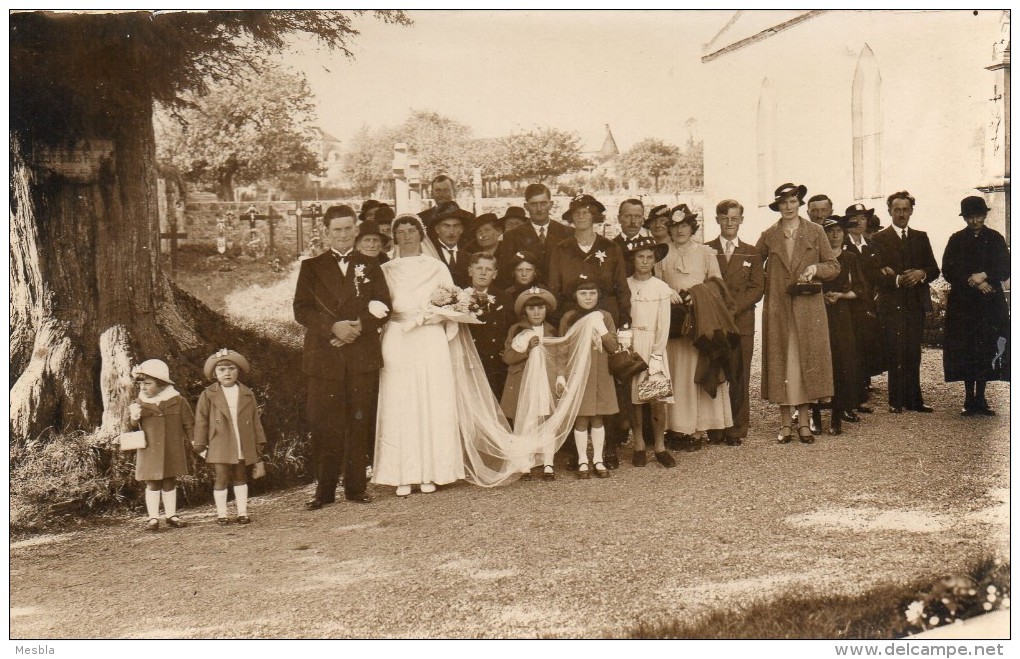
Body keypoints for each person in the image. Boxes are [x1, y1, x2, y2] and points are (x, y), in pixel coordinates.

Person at [294, 204, 391, 509]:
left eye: (349, 228)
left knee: (358, 420)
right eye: (337, 229)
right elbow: (302, 309)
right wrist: (332, 327)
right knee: (326, 423)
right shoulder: (311, 267)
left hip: (360, 354)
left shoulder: (371, 265)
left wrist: (358, 327)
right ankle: (323, 491)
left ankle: (356, 487)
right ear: (326, 232)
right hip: (325, 356)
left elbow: (384, 304)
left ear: (356, 229)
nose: (343, 234)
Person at [373, 215, 469, 496]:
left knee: (431, 400)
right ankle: (403, 474)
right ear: (394, 237)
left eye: (411, 231)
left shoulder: (437, 267)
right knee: (400, 403)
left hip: (429, 337)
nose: (407, 236)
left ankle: (431, 472)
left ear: (421, 234)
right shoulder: (386, 269)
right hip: (398, 337)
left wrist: (433, 318)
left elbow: (453, 305)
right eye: (400, 232)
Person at [547, 194, 630, 469]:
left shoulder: (610, 247)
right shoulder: (561, 248)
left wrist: (624, 319)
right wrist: (564, 325)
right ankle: (577, 451)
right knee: (576, 384)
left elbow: (620, 285)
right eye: (577, 212)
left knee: (607, 384)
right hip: (573, 321)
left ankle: (608, 448)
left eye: (588, 211)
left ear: (596, 215)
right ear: (570, 217)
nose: (582, 216)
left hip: (604, 318)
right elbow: (555, 287)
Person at [755, 183, 840, 444]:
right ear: (778, 206)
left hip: (808, 309)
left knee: (804, 363)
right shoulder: (769, 235)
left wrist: (815, 269)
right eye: (784, 203)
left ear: (799, 204)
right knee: (783, 362)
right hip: (779, 308)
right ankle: (784, 424)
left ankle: (804, 423)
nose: (789, 207)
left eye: (793, 202)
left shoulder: (815, 232)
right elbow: (753, 266)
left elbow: (833, 266)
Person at [656, 205, 734, 450]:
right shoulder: (661, 253)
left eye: (684, 226)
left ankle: (698, 428)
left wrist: (697, 294)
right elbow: (655, 283)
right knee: (676, 372)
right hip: (674, 323)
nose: (679, 231)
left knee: (695, 371)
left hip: (700, 322)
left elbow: (717, 285)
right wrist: (667, 292)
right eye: (675, 226)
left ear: (692, 228)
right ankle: (676, 428)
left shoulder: (706, 253)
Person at [870, 190, 940, 414]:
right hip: (891, 302)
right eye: (897, 210)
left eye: (905, 209)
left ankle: (915, 399)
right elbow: (874, 273)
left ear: (911, 211)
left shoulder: (921, 236)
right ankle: (896, 400)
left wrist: (920, 273)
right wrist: (897, 279)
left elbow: (934, 268)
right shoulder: (878, 239)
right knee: (894, 349)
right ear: (890, 211)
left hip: (914, 303)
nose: (901, 214)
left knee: (913, 350)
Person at [941, 195, 1010, 416]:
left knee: (986, 346)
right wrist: (972, 281)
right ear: (965, 218)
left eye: (979, 216)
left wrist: (985, 275)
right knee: (967, 347)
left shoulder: (996, 238)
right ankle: (968, 397)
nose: (975, 221)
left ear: (985, 215)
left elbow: (1006, 266)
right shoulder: (956, 240)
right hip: (965, 305)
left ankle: (981, 397)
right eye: (970, 217)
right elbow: (948, 268)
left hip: (989, 305)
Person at [705, 199, 765, 446]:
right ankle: (715, 427)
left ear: (741, 220)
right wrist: (719, 311)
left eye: (734, 218)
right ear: (717, 220)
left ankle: (737, 428)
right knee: (714, 373)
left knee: (739, 375)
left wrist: (733, 309)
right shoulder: (707, 250)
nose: (730, 223)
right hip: (715, 323)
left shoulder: (751, 251)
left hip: (742, 323)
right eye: (725, 218)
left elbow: (757, 288)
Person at [194, 349, 267, 525]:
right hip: (219, 440)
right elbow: (201, 419)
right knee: (221, 477)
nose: (227, 373)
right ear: (214, 374)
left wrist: (259, 440)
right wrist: (200, 443)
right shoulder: (208, 394)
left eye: (231, 368)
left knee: (241, 475)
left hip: (242, 440)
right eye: (221, 369)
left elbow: (254, 418)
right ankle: (222, 514)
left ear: (238, 371)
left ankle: (242, 512)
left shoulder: (247, 393)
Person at [558, 277, 619, 479]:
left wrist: (601, 329)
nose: (588, 297)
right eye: (583, 293)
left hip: (601, 372)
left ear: (598, 296)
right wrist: (560, 374)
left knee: (598, 417)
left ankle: (598, 460)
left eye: (592, 293)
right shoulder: (569, 317)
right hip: (579, 373)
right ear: (575, 296)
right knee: (581, 418)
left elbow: (613, 347)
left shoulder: (605, 316)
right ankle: (583, 460)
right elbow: (562, 348)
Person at [623, 237, 675, 468]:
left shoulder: (661, 288)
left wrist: (656, 354)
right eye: (640, 257)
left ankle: (660, 446)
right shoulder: (625, 285)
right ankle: (639, 445)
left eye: (649, 258)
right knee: (635, 399)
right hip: (632, 345)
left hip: (653, 344)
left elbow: (663, 324)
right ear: (633, 259)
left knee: (656, 399)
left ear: (655, 261)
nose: (644, 262)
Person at [128, 359, 193, 531]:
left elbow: (188, 423)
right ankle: (153, 518)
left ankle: (171, 515)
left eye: (148, 383)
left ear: (162, 384)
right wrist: (134, 417)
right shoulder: (139, 403)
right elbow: (133, 426)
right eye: (141, 383)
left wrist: (195, 441)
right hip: (149, 449)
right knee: (152, 483)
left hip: (171, 447)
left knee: (170, 481)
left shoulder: (177, 401)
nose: (143, 387)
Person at [500, 286, 559, 479]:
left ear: (546, 309)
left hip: (544, 380)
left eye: (540, 308)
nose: (536, 312)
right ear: (524, 311)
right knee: (526, 421)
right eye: (531, 308)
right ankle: (524, 463)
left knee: (547, 419)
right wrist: (525, 351)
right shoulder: (517, 330)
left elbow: (559, 355)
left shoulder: (551, 330)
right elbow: (508, 357)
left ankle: (548, 462)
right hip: (523, 382)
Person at [819, 218, 865, 435]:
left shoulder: (849, 258)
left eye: (838, 231)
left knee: (841, 360)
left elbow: (860, 288)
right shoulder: (818, 258)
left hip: (842, 314)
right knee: (819, 360)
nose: (835, 235)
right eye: (830, 231)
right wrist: (821, 296)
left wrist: (841, 295)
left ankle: (838, 413)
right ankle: (816, 414)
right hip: (819, 313)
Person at [842, 203, 883, 412]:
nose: (859, 223)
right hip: (848, 303)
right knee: (851, 350)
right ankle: (850, 399)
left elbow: (875, 274)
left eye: (863, 218)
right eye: (855, 219)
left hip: (867, 303)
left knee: (865, 347)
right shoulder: (842, 245)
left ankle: (860, 395)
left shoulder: (871, 245)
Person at [495, 183, 572, 288]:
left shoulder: (567, 233)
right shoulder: (512, 236)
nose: (539, 209)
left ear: (551, 204)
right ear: (526, 206)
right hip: (526, 298)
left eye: (543, 203)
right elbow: (505, 275)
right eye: (534, 204)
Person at [465, 252, 513, 398]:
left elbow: (509, 328)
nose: (483, 273)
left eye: (488, 269)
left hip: (495, 365)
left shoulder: (504, 298)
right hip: (470, 361)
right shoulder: (459, 297)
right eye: (479, 268)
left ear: (495, 274)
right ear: (470, 271)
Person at [430, 202, 474, 288]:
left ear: (461, 229)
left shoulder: (469, 257)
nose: (451, 232)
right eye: (446, 226)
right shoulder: (430, 254)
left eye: (456, 226)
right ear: (437, 229)